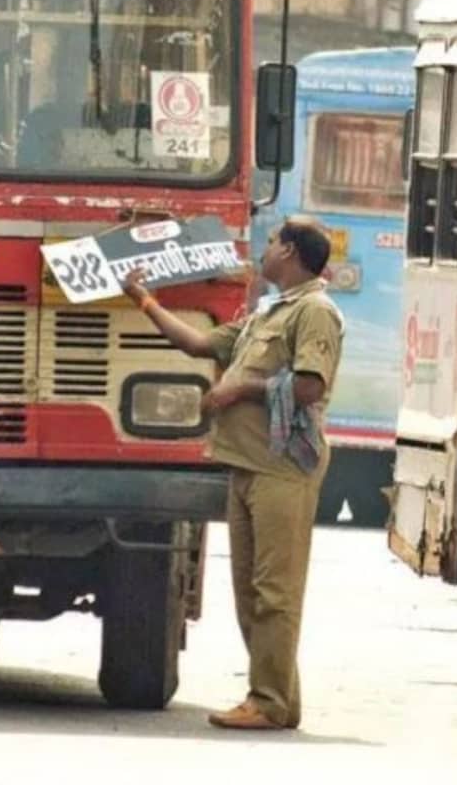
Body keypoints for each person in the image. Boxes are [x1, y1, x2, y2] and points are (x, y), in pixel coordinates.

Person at [120, 216, 344, 731]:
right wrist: (144, 300)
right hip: (246, 465)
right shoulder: (270, 313)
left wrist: (239, 390)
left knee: (275, 592)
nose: (265, 249)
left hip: (282, 467)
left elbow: (309, 385)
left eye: (273, 241)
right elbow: (199, 345)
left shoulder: (315, 312)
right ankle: (278, 699)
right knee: (250, 592)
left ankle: (268, 701)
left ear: (289, 252)